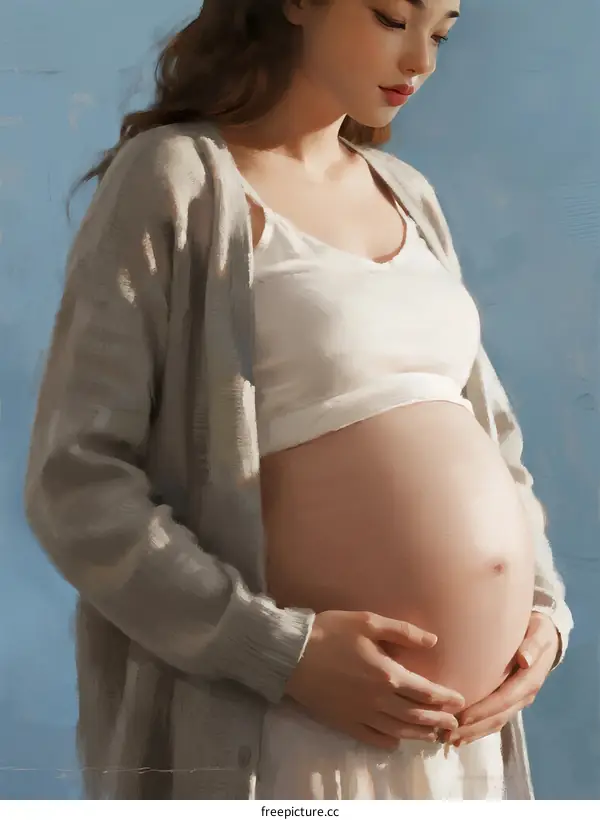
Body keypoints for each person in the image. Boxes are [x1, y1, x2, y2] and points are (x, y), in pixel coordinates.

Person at [25, 0, 572, 801]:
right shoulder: (177, 178)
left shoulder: (409, 195)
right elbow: (74, 481)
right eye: (393, 17)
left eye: (442, 32)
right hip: (282, 731)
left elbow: (497, 449)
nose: (421, 60)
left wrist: (543, 621)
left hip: (463, 749)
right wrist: (279, 653)